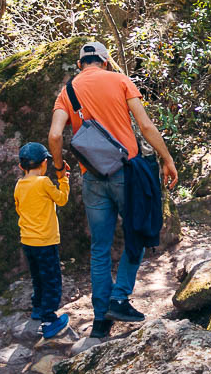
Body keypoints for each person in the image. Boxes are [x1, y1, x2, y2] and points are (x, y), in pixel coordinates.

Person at [48, 41, 178, 340]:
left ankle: (100, 320)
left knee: (100, 249)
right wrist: (167, 159)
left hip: (92, 177)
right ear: (106, 61)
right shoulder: (120, 80)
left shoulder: (67, 92)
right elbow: (144, 126)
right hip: (126, 173)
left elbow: (55, 134)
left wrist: (58, 167)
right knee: (137, 232)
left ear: (80, 64)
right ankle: (119, 298)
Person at [14, 142, 71, 340]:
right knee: (52, 280)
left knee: (37, 277)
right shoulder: (44, 182)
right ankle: (49, 321)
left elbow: (19, 209)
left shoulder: (19, 185)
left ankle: (37, 308)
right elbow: (61, 199)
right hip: (45, 241)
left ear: (22, 167)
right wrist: (63, 180)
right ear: (44, 163)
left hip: (28, 241)